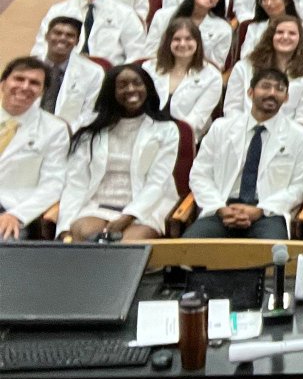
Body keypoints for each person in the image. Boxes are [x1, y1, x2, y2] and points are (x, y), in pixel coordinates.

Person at [184, 69, 303, 239]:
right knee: (187, 252)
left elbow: (302, 184)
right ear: (250, 92)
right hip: (222, 208)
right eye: (265, 87)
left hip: (269, 214)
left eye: (280, 89)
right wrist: (221, 208)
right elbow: (200, 175)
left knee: (272, 255)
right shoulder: (221, 128)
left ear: (287, 97)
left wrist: (260, 210)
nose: (272, 93)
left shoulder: (300, 136)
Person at [56, 65, 180, 241]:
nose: (131, 89)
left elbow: (157, 182)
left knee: (128, 247)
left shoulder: (166, 129)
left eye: (137, 83)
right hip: (97, 204)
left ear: (148, 88)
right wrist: (64, 226)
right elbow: (76, 182)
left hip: (146, 206)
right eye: (122, 85)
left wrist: (129, 215)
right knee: (84, 235)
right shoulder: (91, 130)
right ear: (111, 92)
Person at [0, 58, 70, 239]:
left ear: (42, 91)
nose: (25, 87)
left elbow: (53, 184)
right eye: (19, 79)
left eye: (34, 83)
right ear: (3, 83)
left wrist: (17, 214)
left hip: (12, 210)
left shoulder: (54, 129)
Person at [145, 17, 222, 138]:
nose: (182, 44)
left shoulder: (213, 77)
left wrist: (169, 137)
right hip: (146, 133)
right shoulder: (149, 67)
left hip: (183, 137)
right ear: (168, 42)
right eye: (176, 39)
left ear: (197, 42)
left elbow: (196, 118)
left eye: (188, 39)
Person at [145, 0, 233, 69]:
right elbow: (150, 52)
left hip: (200, 76)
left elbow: (217, 65)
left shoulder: (224, 28)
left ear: (218, 1)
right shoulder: (162, 16)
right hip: (161, 69)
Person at [38, 17, 103, 130]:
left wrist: (64, 131)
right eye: (57, 33)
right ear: (46, 36)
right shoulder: (30, 67)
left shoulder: (93, 72)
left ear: (77, 41)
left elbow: (90, 112)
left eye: (70, 35)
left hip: (70, 134)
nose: (63, 38)